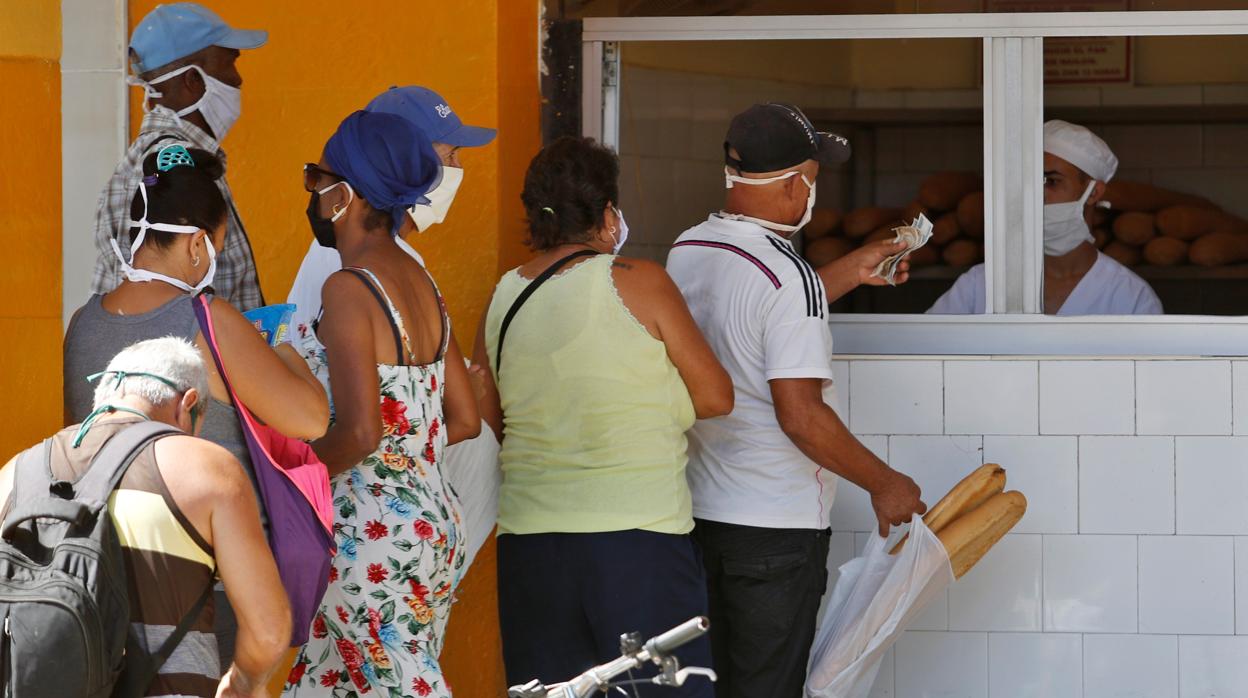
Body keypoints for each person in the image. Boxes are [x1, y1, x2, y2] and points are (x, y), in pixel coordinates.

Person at [664, 103, 927, 698]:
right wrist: (885, 483)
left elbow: (754, 310)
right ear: (794, 185)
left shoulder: (690, 248)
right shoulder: (790, 278)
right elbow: (801, 416)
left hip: (698, 513)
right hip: (775, 532)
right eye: (814, 176)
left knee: (715, 684)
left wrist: (848, 272)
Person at [471, 136, 734, 696]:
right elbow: (716, 397)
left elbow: (487, 420)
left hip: (531, 546)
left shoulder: (504, 296)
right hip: (637, 542)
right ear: (608, 213)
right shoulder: (639, 280)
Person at [64, 144, 329, 668]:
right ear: (195, 245)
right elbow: (311, 418)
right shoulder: (208, 320)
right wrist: (282, 350)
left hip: (114, 582)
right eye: (219, 247)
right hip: (207, 584)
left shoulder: (81, 326)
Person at [282, 110, 480, 698]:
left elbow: (362, 434)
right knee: (324, 682)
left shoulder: (348, 289)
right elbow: (464, 418)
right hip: (433, 519)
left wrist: (293, 476)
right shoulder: (423, 283)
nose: (314, 192)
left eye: (318, 178)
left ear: (346, 193)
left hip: (367, 532)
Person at [3, 337, 290, 697]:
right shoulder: (206, 467)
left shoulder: (17, 472)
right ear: (187, 404)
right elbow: (268, 629)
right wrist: (244, 682)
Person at [91, 2, 267, 310]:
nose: (238, 80)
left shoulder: (152, 157)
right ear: (193, 81)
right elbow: (184, 306)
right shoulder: (176, 164)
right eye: (228, 64)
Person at [286, 85, 497, 336]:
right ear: (402, 163)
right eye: (449, 156)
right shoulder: (354, 256)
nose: (457, 167)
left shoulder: (364, 248)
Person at [928, 119, 1163, 315]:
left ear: (1094, 193)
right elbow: (928, 354)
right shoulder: (979, 287)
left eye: (1052, 181)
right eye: (1032, 181)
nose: (1037, 194)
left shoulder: (1131, 298)